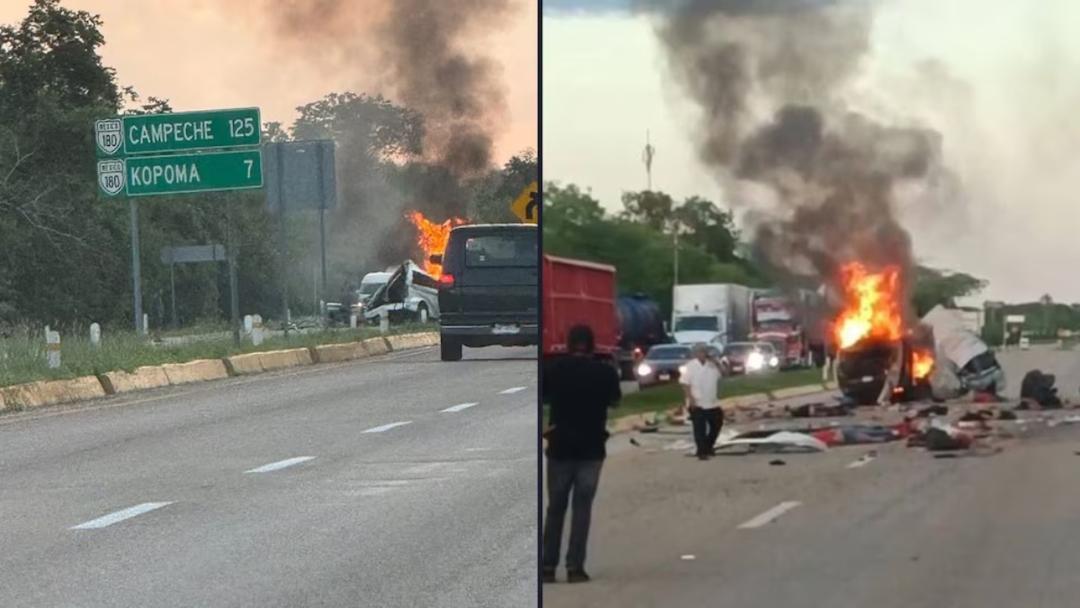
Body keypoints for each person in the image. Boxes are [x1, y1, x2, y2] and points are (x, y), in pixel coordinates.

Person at [541, 325, 621, 584]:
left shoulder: (554, 370)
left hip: (560, 447)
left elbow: (544, 397)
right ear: (592, 344)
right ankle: (575, 567)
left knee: (555, 508)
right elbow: (615, 400)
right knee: (582, 508)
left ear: (568, 344)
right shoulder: (604, 372)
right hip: (591, 448)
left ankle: (547, 567)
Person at [680, 343, 724, 460]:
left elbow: (725, 374)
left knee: (717, 423)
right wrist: (691, 399)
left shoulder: (712, 365)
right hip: (697, 402)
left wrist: (717, 363)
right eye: (700, 352)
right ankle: (701, 451)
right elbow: (685, 384)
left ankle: (708, 446)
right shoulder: (690, 366)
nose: (703, 354)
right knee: (700, 428)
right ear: (696, 354)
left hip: (712, 401)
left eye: (705, 352)